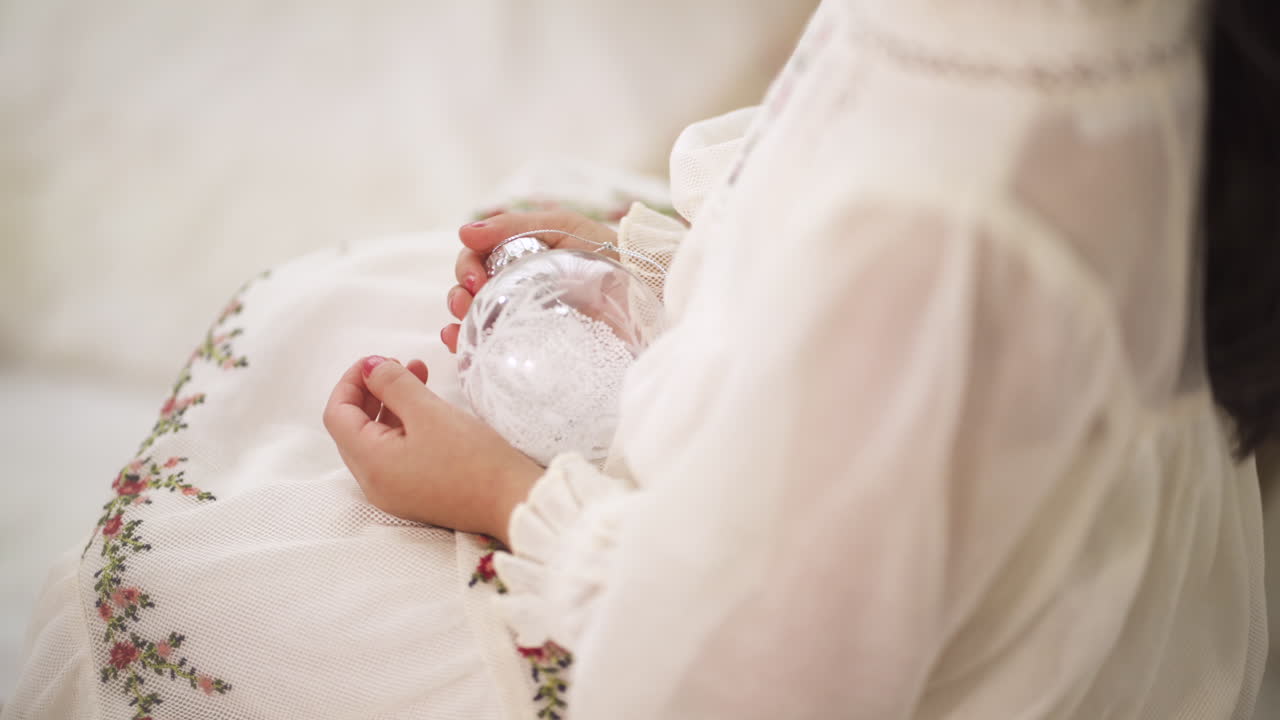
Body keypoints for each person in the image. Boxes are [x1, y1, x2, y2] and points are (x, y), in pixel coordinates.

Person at [3, 0, 1273, 718]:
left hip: (807, 646)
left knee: (184, 589)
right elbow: (898, 300)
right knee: (328, 309)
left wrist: (496, 494)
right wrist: (673, 256)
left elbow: (728, 686)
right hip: (937, 486)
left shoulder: (950, 188)